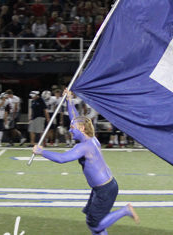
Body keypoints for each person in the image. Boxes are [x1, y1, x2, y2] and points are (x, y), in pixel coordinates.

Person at [32, 90, 139, 235]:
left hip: (104, 190)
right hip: (103, 187)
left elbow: (62, 159)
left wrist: (41, 151)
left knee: (94, 224)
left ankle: (125, 211)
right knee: (95, 220)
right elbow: (75, 118)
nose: (70, 130)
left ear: (82, 129)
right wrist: (68, 100)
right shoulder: (91, 138)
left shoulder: (83, 147)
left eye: (72, 128)